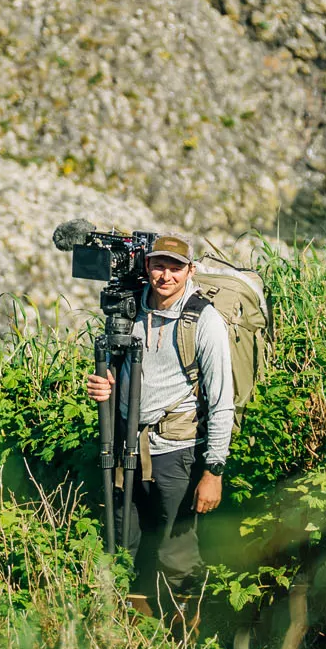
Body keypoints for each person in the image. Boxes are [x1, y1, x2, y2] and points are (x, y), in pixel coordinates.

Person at [85, 234, 234, 619]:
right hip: (127, 447)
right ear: (146, 266)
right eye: (157, 265)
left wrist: (213, 470)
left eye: (175, 267)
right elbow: (122, 371)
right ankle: (127, 632)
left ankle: (185, 636)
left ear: (190, 270)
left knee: (175, 551)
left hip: (177, 452)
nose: (164, 275)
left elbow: (221, 402)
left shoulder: (204, 321)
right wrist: (107, 385)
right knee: (122, 542)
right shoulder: (130, 312)